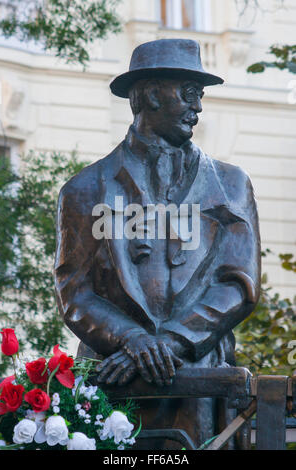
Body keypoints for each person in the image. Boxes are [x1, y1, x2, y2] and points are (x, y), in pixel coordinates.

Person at [54, 39, 261, 448]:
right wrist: (132, 340)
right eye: (188, 94)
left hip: (203, 382)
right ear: (150, 93)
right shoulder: (84, 189)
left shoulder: (231, 185)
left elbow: (239, 283)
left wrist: (168, 343)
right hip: (112, 382)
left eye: (199, 96)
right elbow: (74, 290)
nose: (197, 107)